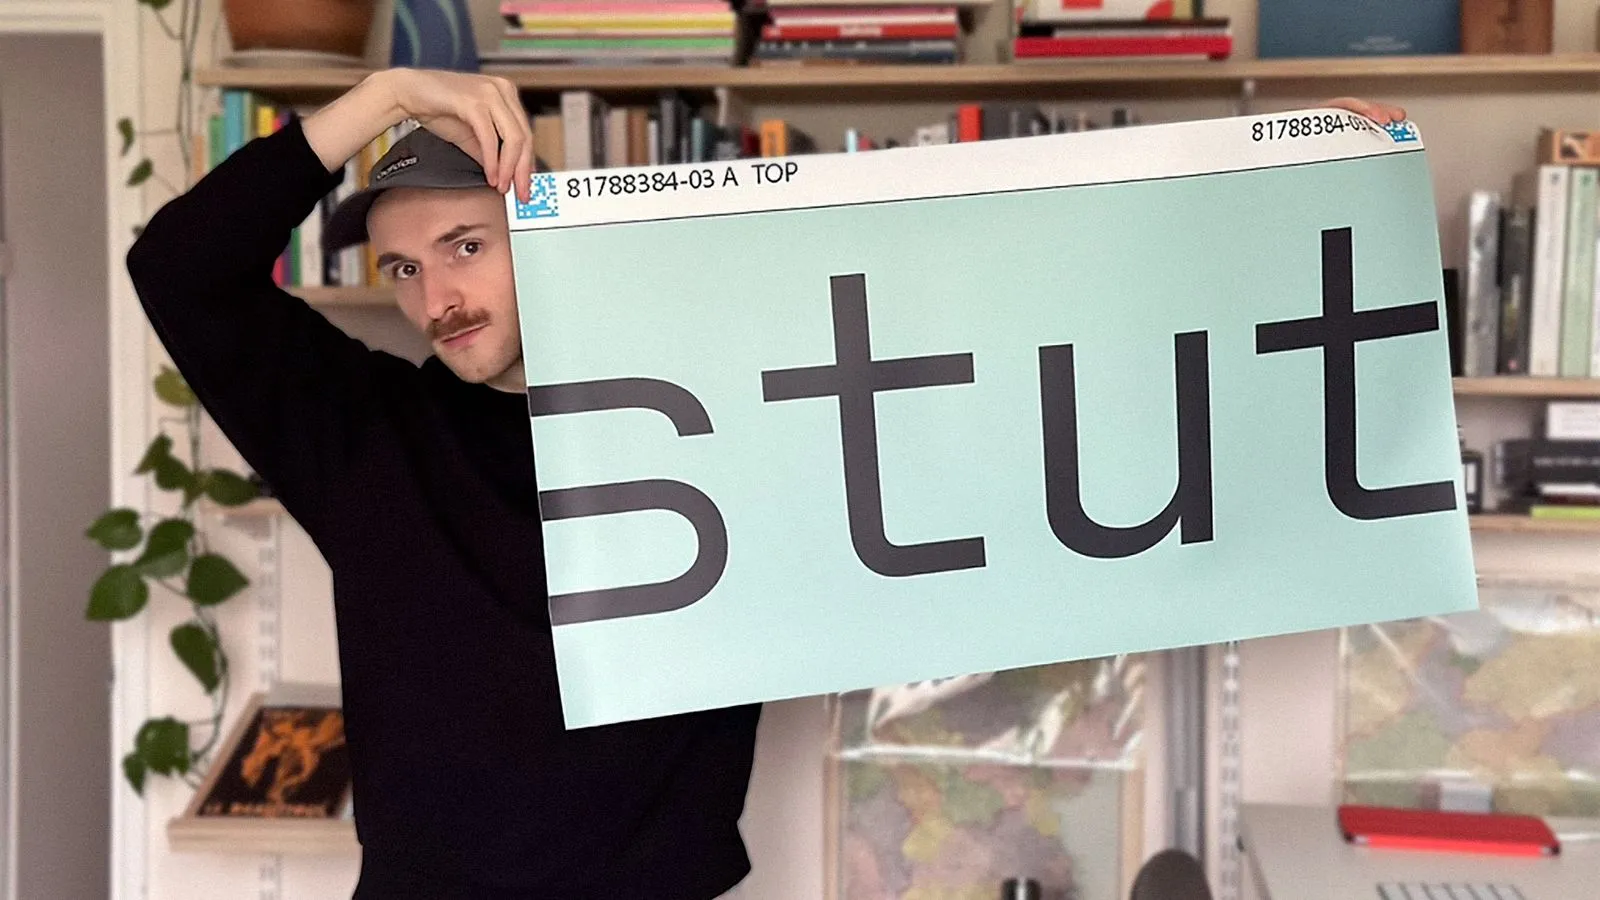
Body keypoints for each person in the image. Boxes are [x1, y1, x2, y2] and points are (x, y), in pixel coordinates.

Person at [125, 66, 1407, 898]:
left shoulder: (736, 411)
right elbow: (179, 269)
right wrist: (384, 96)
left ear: (551, 234)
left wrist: (1286, 174)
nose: (436, 295)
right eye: (403, 269)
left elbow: (1034, 319)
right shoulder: (365, 436)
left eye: (467, 245)